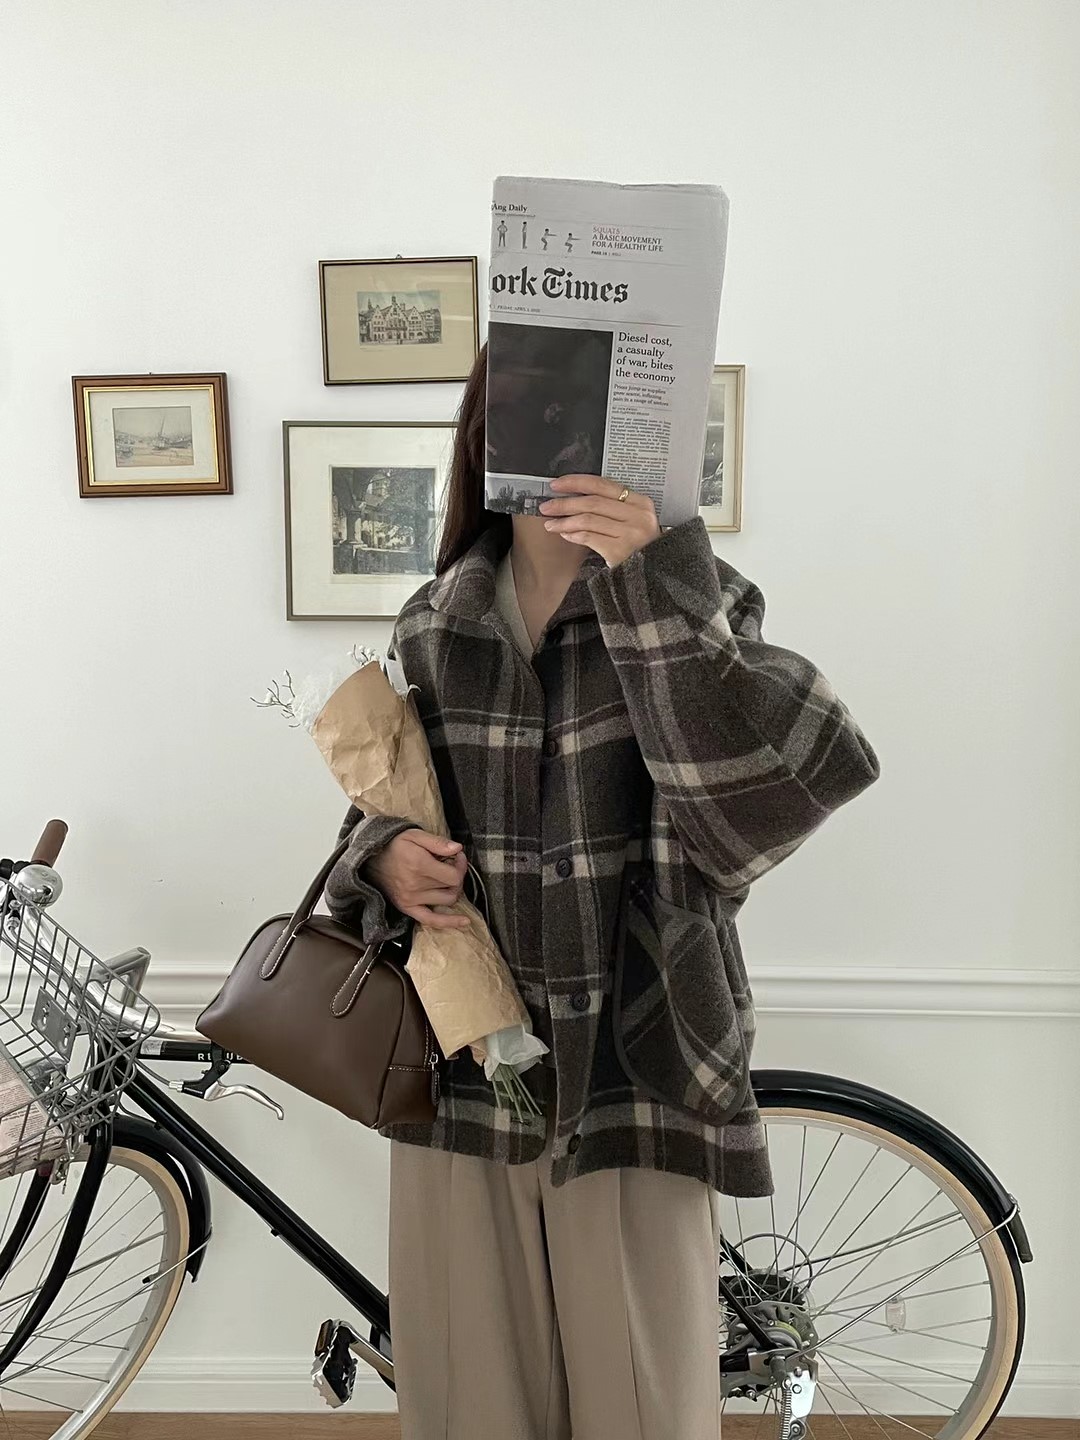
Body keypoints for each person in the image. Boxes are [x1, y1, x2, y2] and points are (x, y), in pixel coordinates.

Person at [325, 344, 880, 1439]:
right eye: (528, 413)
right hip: (467, 1059)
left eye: (588, 420)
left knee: (643, 1405)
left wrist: (656, 585)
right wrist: (383, 856)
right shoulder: (434, 621)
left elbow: (766, 801)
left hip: (640, 1051)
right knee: (469, 1400)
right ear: (483, 435)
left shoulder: (700, 600)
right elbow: (376, 813)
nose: (559, 444)